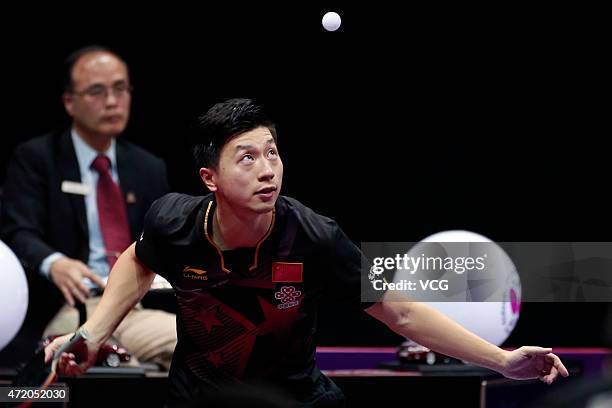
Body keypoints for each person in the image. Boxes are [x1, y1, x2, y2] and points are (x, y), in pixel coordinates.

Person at [44, 98, 568, 407]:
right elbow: (138, 260)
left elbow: (402, 310)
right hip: (199, 401)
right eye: (245, 158)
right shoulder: (174, 221)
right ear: (210, 178)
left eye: (271, 152)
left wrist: (502, 361)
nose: (267, 169)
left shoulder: (314, 237)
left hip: (295, 402)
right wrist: (92, 334)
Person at [1, 45, 176, 369]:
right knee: (111, 365)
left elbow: (166, 243)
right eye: (97, 91)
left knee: (205, 347)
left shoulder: (148, 167)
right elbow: (17, 230)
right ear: (69, 101)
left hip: (132, 307)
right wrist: (54, 263)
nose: (112, 101)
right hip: (69, 307)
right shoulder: (37, 159)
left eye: (120, 88)